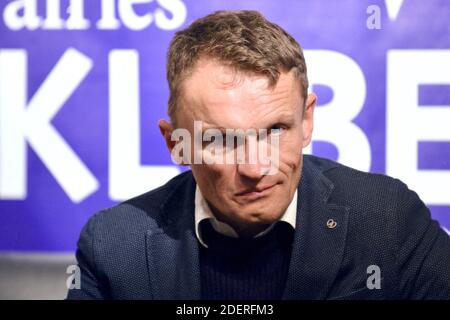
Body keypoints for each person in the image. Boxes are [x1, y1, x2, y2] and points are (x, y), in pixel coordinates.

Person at [67, 10, 450, 300]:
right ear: (176, 144)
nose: (256, 167)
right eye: (221, 140)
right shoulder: (116, 248)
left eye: (275, 131)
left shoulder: (388, 220)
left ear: (307, 120)